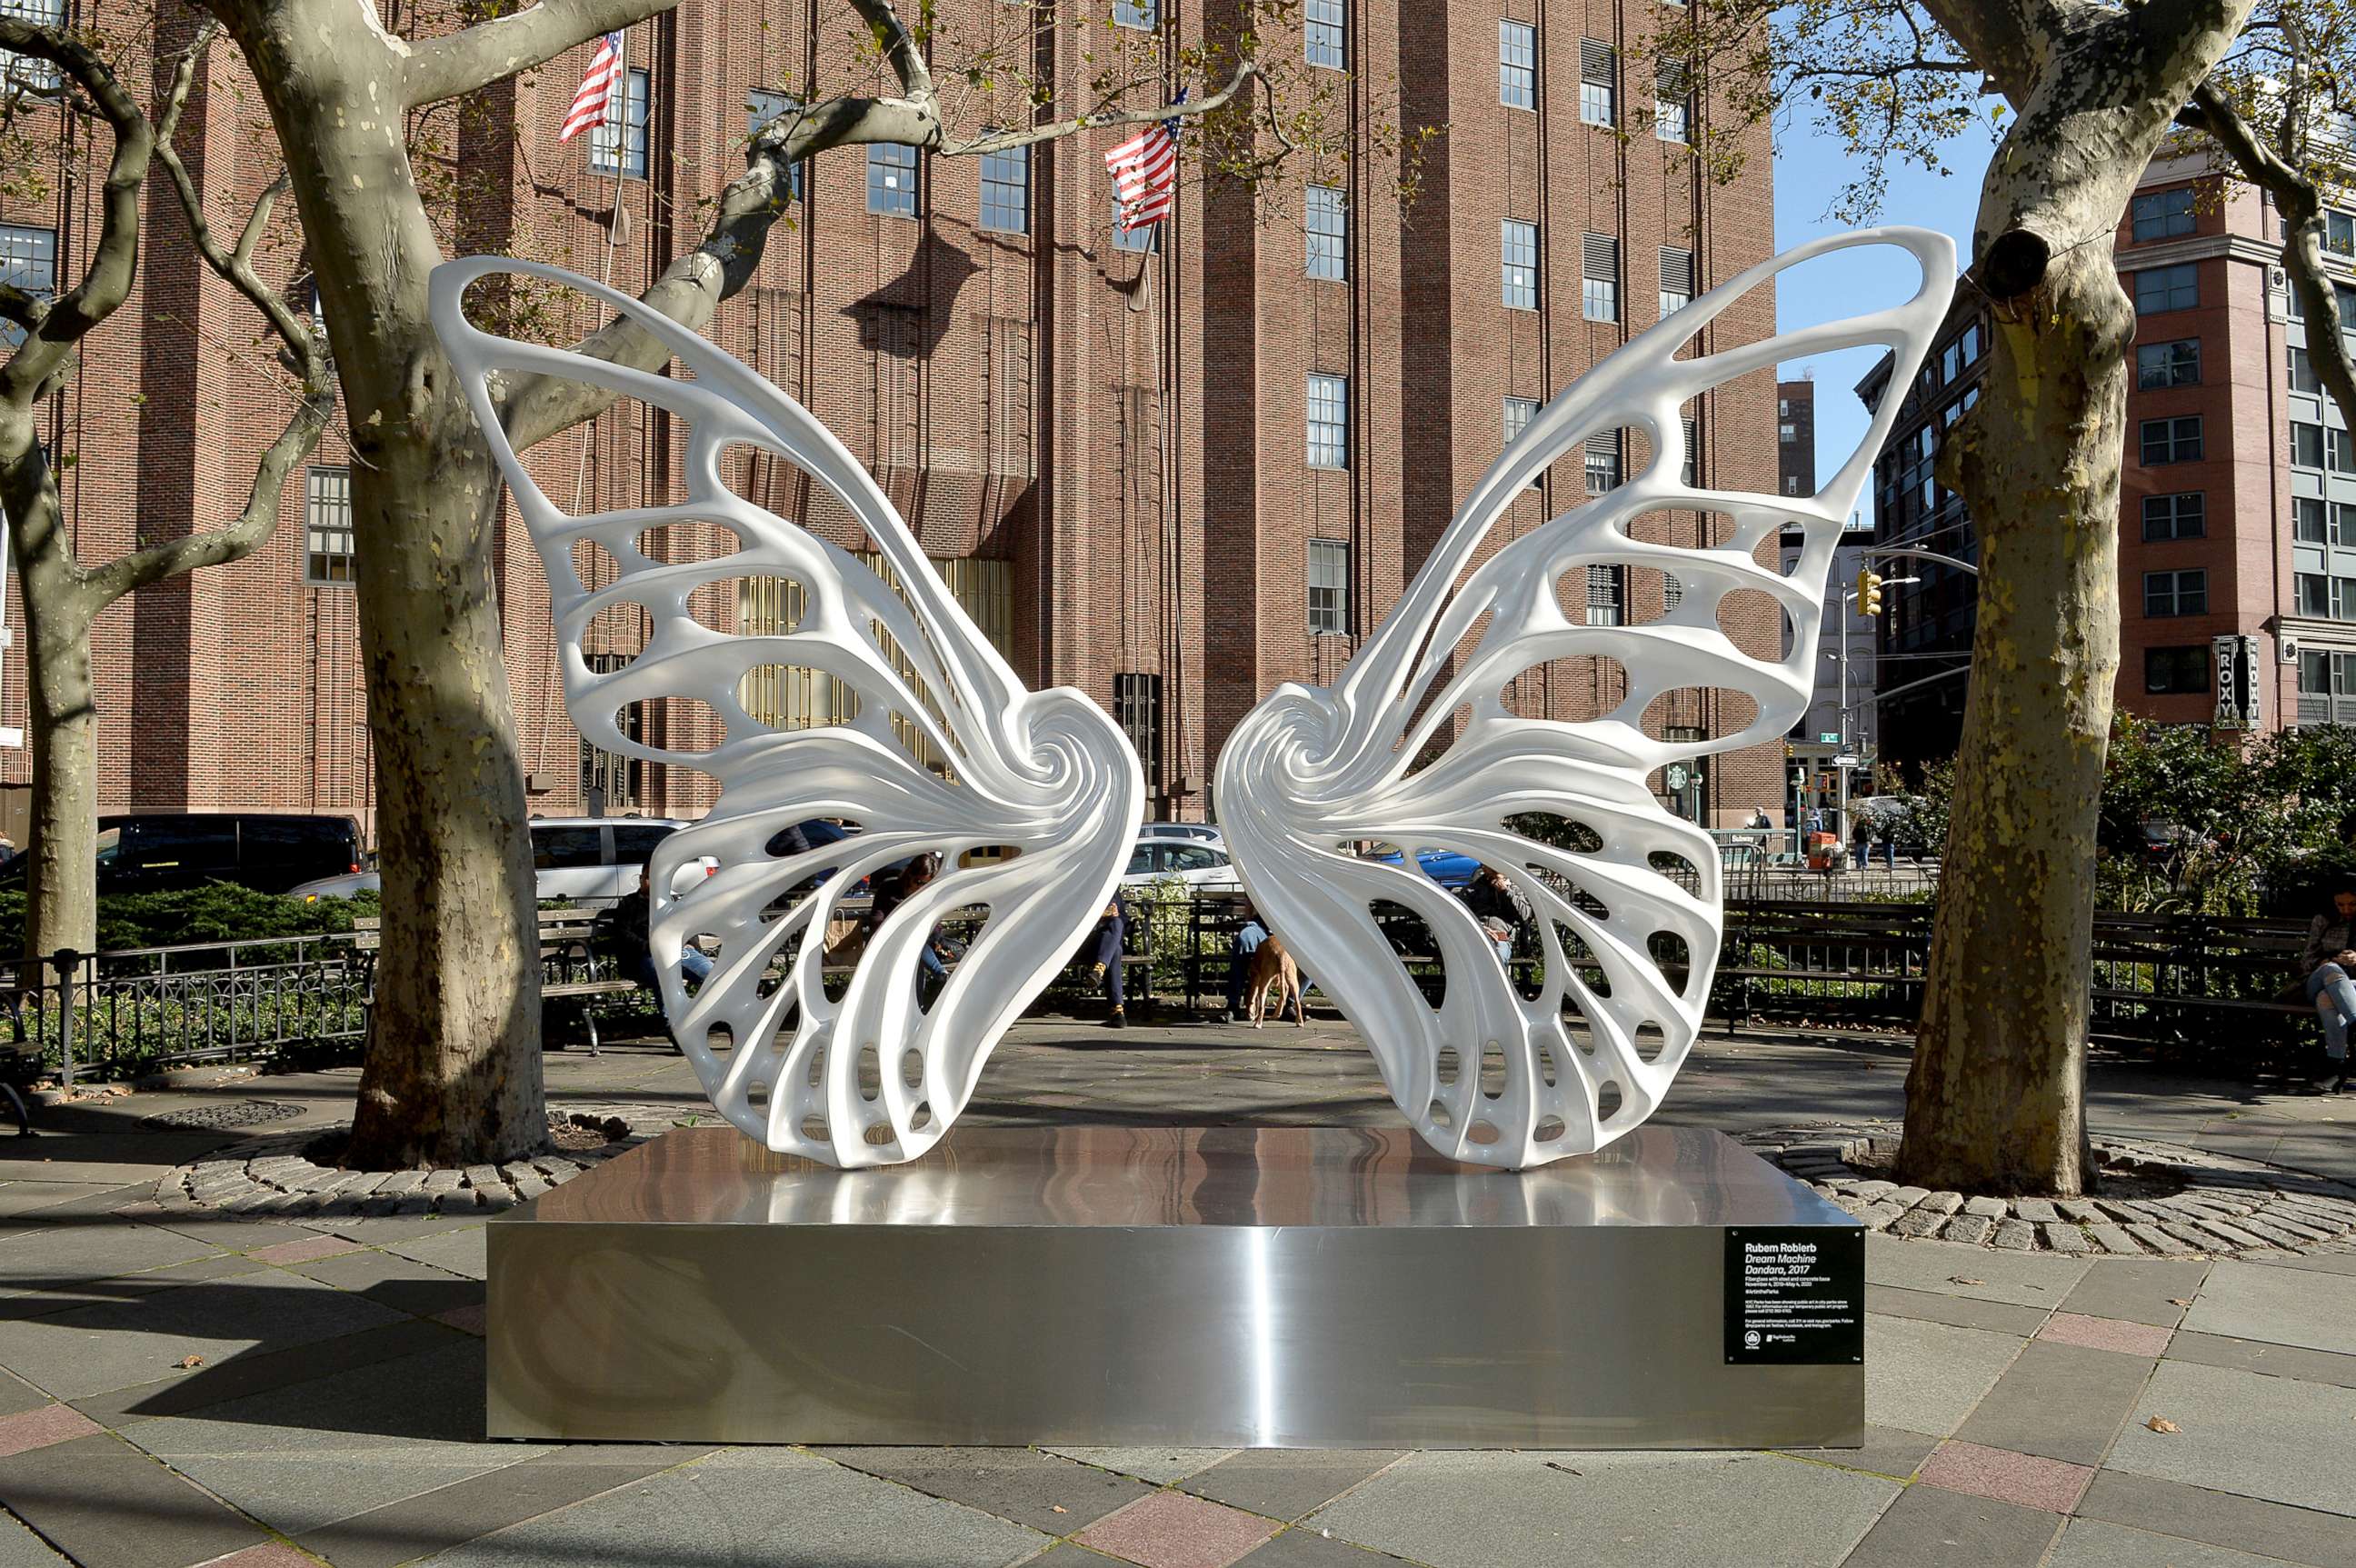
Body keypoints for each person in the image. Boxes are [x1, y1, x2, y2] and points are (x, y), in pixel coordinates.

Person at [597, 866, 714, 994]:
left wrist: (691, 944)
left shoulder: (673, 901)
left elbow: (688, 926)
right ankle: (669, 1014)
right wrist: (650, 947)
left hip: (681, 951)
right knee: (666, 978)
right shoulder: (629, 904)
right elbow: (623, 933)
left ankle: (714, 1013)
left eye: (657, 879)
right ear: (641, 879)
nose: (652, 882)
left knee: (713, 974)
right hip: (647, 956)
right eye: (648, 878)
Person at [2300, 885, 2356, 1094]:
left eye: (2352, 904)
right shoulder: (2323, 921)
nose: (2346, 910)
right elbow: (2307, 961)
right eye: (2340, 905)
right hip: (2319, 979)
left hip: (2352, 987)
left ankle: (2335, 1066)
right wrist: (2328, 961)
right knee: (2331, 970)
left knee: (2327, 999)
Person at [1457, 864, 1530, 969]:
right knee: (1470, 961)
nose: (1496, 868)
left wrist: (1505, 891)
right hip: (1475, 938)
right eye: (1490, 865)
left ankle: (1494, 985)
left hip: (1500, 939)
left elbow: (1524, 916)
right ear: (1484, 868)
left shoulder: (1515, 889)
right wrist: (1481, 929)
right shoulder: (1471, 890)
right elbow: (1461, 917)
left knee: (1497, 960)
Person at [1086, 890, 1131, 1027]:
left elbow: (1125, 921)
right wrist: (1101, 915)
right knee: (1115, 949)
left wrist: (1116, 916)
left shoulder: (1113, 888)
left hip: (1106, 945)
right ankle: (1117, 1011)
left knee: (1117, 927)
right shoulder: (1083, 882)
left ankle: (1099, 969)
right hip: (1085, 943)